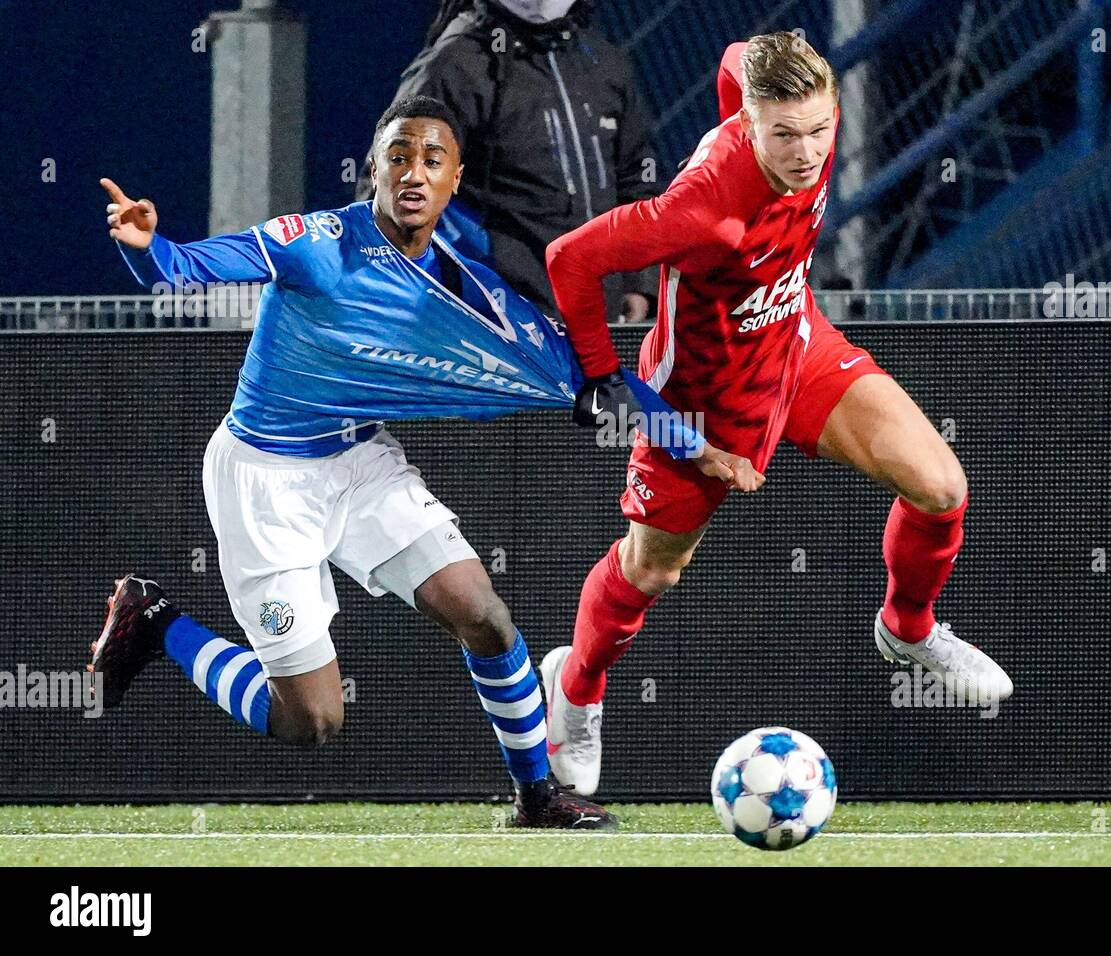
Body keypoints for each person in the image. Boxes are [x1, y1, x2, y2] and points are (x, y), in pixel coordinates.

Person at [89, 95, 625, 828]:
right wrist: (147, 246)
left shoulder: (451, 279)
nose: (414, 173)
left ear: (454, 179)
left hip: (362, 462)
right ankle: (155, 621)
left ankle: (536, 796)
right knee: (311, 720)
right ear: (373, 167)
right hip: (266, 483)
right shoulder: (315, 240)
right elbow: (180, 272)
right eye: (399, 156)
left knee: (487, 620)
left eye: (432, 160)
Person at [541, 33, 1014, 796]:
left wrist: (763, 65)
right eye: (783, 135)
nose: (806, 151)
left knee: (941, 488)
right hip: (704, 398)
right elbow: (569, 258)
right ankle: (578, 687)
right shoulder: (700, 212)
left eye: (820, 129)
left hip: (797, 342)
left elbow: (734, 54)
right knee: (653, 570)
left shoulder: (785, 107)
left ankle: (909, 629)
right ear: (749, 126)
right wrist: (605, 379)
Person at [362, 0, 659, 321]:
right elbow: (387, 192)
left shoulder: (603, 63)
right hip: (498, 332)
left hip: (601, 325)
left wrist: (640, 282)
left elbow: (637, 179)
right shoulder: (455, 66)